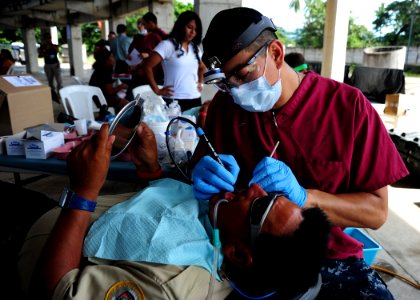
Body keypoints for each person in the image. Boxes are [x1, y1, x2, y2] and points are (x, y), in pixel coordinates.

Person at [191, 7, 409, 299]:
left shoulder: (348, 109)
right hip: (253, 260)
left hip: (332, 258)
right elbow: (210, 198)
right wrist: (202, 180)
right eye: (225, 83)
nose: (236, 92)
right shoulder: (223, 109)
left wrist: (307, 198)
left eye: (243, 75)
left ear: (277, 54)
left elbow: (376, 212)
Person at [23, 122, 332, 299]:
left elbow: (57, 293)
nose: (254, 188)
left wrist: (83, 192)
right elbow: (154, 219)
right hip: (53, 216)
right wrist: (151, 170)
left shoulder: (172, 287)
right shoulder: (219, 217)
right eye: (271, 192)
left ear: (237, 254)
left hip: (25, 247)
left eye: (262, 205)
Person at [143, 10, 206, 112]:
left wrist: (200, 82)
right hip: (174, 101)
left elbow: (202, 67)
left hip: (195, 99)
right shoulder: (167, 45)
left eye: (196, 29)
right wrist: (157, 90)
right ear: (181, 26)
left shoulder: (195, 48)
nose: (193, 32)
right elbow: (147, 66)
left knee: (195, 127)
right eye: (189, 27)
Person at [89, 48, 129, 113]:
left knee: (122, 100)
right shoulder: (105, 72)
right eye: (112, 57)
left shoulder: (100, 69)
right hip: (101, 99)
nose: (114, 59)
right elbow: (110, 92)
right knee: (128, 104)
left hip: (96, 97)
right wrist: (122, 86)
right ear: (106, 60)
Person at [38, 32, 63, 102]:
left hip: (55, 64)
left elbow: (57, 51)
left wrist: (49, 47)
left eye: (49, 38)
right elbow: (40, 55)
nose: (48, 39)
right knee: (50, 81)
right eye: (46, 38)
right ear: (44, 39)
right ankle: (53, 94)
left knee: (59, 80)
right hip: (47, 65)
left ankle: (60, 94)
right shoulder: (42, 47)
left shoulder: (54, 45)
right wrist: (44, 51)